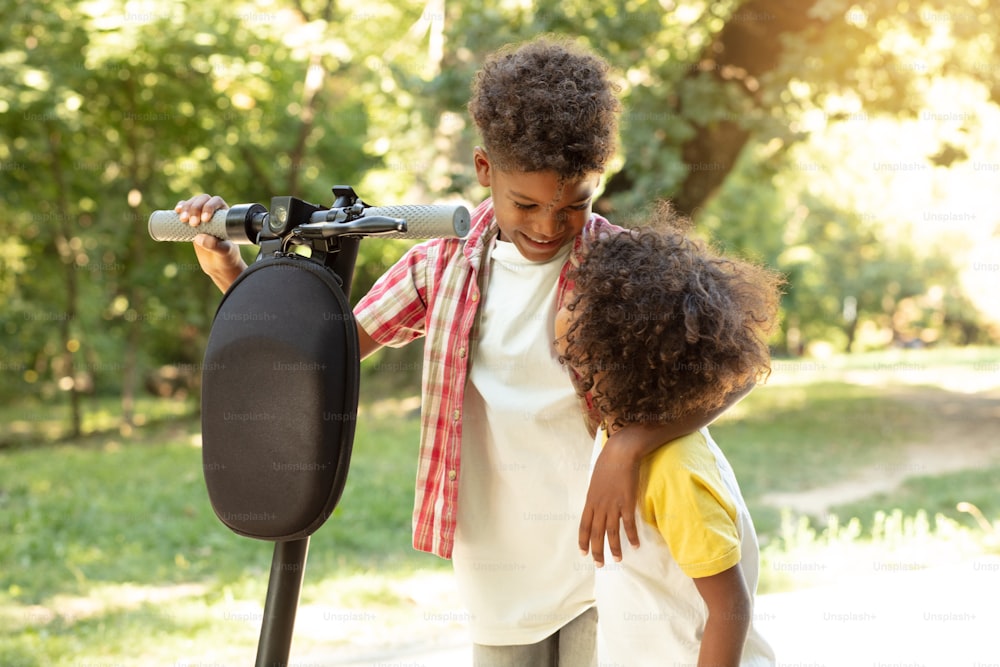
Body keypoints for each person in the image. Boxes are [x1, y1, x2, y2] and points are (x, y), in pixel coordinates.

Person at [175, 36, 753, 666]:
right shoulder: (440, 267)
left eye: (574, 204)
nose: (548, 226)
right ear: (485, 170)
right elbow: (320, 356)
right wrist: (232, 272)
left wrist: (630, 442)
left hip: (606, 560)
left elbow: (740, 370)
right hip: (500, 568)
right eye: (526, 204)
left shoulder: (620, 266)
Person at [554, 205, 781, 666]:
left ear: (633, 364)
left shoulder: (676, 471)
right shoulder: (622, 430)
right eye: (567, 361)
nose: (574, 380)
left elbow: (730, 608)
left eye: (584, 364)